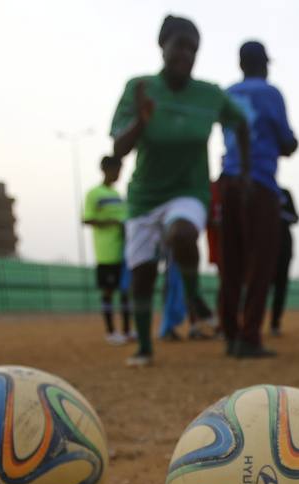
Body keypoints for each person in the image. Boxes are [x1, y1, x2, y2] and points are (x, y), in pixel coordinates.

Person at [110, 15, 249, 367]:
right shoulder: (139, 87)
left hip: (189, 191)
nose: (185, 54)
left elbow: (241, 123)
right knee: (142, 275)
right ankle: (144, 346)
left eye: (193, 48)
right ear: (163, 46)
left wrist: (241, 171)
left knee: (182, 234)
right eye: (179, 45)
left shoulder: (210, 95)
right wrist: (141, 121)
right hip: (144, 196)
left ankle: (192, 298)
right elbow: (118, 150)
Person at [219, 40, 298, 358]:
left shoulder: (227, 93)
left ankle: (230, 334)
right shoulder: (271, 93)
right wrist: (290, 144)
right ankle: (250, 336)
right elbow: (286, 141)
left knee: (231, 263)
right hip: (261, 182)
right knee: (262, 262)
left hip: (228, 180)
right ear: (265, 64)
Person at [81, 155, 132, 344]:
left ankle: (127, 331)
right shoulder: (94, 193)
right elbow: (86, 218)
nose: (118, 174)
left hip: (123, 251)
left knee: (126, 291)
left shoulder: (117, 196)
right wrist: (112, 222)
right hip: (106, 252)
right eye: (116, 170)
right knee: (108, 291)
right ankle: (111, 332)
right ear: (105, 170)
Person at [269, 188, 298, 337]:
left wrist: (279, 213)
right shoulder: (261, 190)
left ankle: (275, 324)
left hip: (284, 247)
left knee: (281, 287)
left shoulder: (284, 193)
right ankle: (251, 324)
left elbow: (295, 217)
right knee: (259, 285)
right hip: (264, 247)